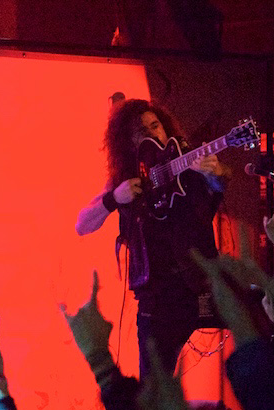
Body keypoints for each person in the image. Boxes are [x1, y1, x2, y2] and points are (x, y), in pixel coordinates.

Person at [75, 98, 229, 376]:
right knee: (156, 385)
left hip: (202, 286)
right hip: (158, 300)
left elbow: (217, 187)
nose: (151, 134)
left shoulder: (189, 164)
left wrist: (215, 174)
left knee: (261, 324)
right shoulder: (126, 179)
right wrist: (114, 198)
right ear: (128, 142)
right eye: (141, 131)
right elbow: (82, 225)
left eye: (155, 125)